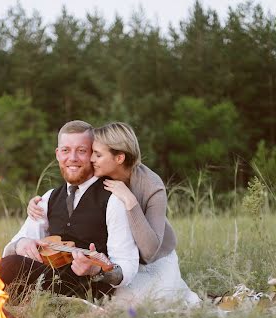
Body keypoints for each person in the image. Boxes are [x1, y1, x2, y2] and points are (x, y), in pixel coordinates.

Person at [28, 121, 200, 306]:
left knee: (150, 305)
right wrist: (39, 203)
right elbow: (73, 185)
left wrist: (130, 201)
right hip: (121, 260)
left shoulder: (152, 186)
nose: (91, 159)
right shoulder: (101, 172)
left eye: (98, 154)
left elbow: (150, 251)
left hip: (153, 260)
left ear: (119, 158)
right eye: (92, 152)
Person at [0, 120, 139, 301]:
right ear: (57, 154)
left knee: (9, 266)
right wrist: (21, 244)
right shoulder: (48, 198)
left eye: (81, 151)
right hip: (50, 280)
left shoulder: (113, 198)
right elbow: (18, 240)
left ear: (93, 154)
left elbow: (127, 265)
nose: (72, 158)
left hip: (90, 288)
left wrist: (97, 270)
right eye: (65, 150)